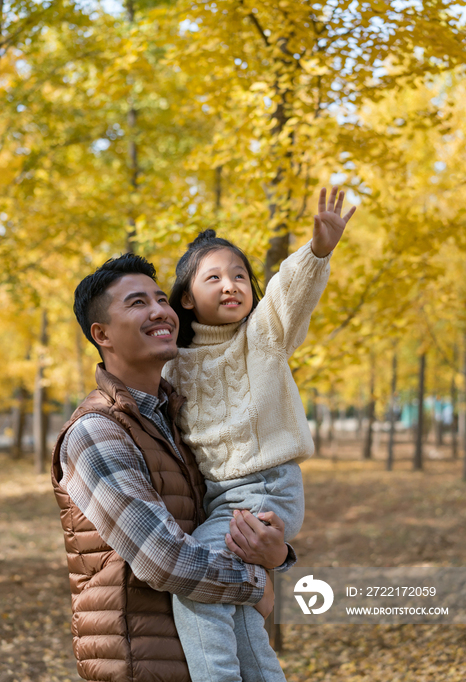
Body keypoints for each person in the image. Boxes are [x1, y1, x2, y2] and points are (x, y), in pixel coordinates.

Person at [51, 253, 296, 682]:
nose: (160, 310)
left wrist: (276, 555)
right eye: (137, 303)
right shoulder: (96, 433)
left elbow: (228, 520)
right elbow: (163, 560)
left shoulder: (180, 422)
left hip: (206, 662)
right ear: (101, 334)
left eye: (161, 298)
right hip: (142, 667)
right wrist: (257, 583)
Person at [163, 186, 356, 682]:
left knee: (196, 580)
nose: (232, 285)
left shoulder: (262, 336)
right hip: (223, 500)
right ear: (186, 297)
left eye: (240, 275)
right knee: (241, 607)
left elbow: (288, 294)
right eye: (214, 278)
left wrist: (317, 251)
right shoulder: (173, 367)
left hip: (265, 489)